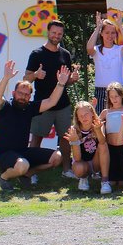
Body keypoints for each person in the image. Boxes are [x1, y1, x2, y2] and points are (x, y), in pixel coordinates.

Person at [0, 60, 69, 191]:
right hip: (3, 155)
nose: (23, 97)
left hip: (23, 152)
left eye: (26, 95)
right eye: (20, 93)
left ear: (29, 97)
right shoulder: (5, 107)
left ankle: (26, 175)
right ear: (13, 94)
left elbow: (51, 101)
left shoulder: (29, 107)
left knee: (57, 157)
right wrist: (6, 78)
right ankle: (3, 177)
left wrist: (61, 83)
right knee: (23, 165)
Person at [24, 20, 79, 179]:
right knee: (36, 138)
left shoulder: (65, 54)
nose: (56, 36)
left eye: (59, 34)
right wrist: (35, 75)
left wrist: (73, 79)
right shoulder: (36, 54)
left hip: (63, 105)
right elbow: (26, 79)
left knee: (65, 138)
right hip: (42, 105)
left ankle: (66, 170)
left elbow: (66, 80)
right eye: (54, 33)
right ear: (48, 32)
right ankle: (31, 172)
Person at [85, 12, 123, 110]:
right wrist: (97, 28)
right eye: (107, 32)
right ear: (101, 34)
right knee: (100, 117)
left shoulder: (119, 49)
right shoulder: (96, 50)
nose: (110, 35)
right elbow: (89, 48)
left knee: (119, 117)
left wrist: (120, 26)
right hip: (101, 91)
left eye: (113, 33)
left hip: (118, 91)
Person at [64, 100, 109, 193]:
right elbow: (77, 158)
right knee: (79, 168)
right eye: (80, 116)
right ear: (77, 118)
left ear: (92, 113)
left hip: (96, 162)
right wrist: (75, 142)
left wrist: (98, 130)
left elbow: (102, 142)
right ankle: (83, 178)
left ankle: (105, 181)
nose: (84, 117)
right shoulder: (74, 130)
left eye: (86, 114)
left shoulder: (98, 124)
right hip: (82, 163)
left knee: (103, 145)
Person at [99, 82, 123, 188]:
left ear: (122, 95)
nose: (114, 99)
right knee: (112, 182)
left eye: (116, 96)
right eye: (111, 97)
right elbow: (96, 123)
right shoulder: (106, 112)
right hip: (110, 148)